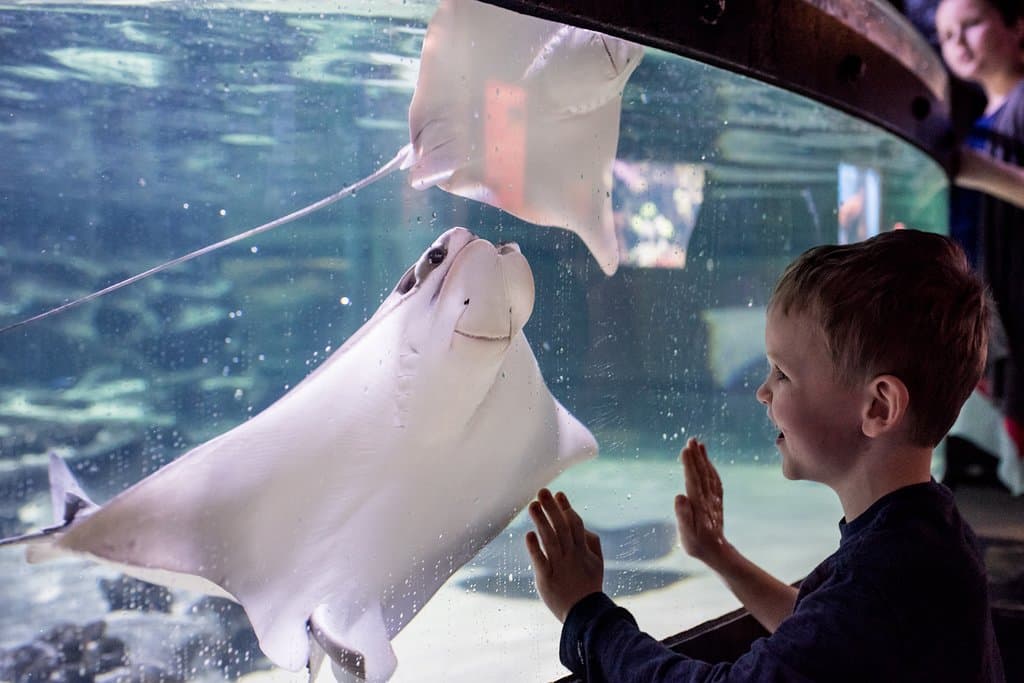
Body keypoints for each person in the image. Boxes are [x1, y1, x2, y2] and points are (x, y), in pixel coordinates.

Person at [525, 229, 1004, 682]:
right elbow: (818, 633)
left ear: (878, 406)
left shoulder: (883, 581)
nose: (762, 391)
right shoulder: (924, 534)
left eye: (782, 374)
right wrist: (718, 554)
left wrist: (586, 615)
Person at [936, 0, 1024, 494]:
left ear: (1016, 24)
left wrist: (976, 169)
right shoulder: (985, 121)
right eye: (947, 35)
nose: (957, 43)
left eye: (970, 24)